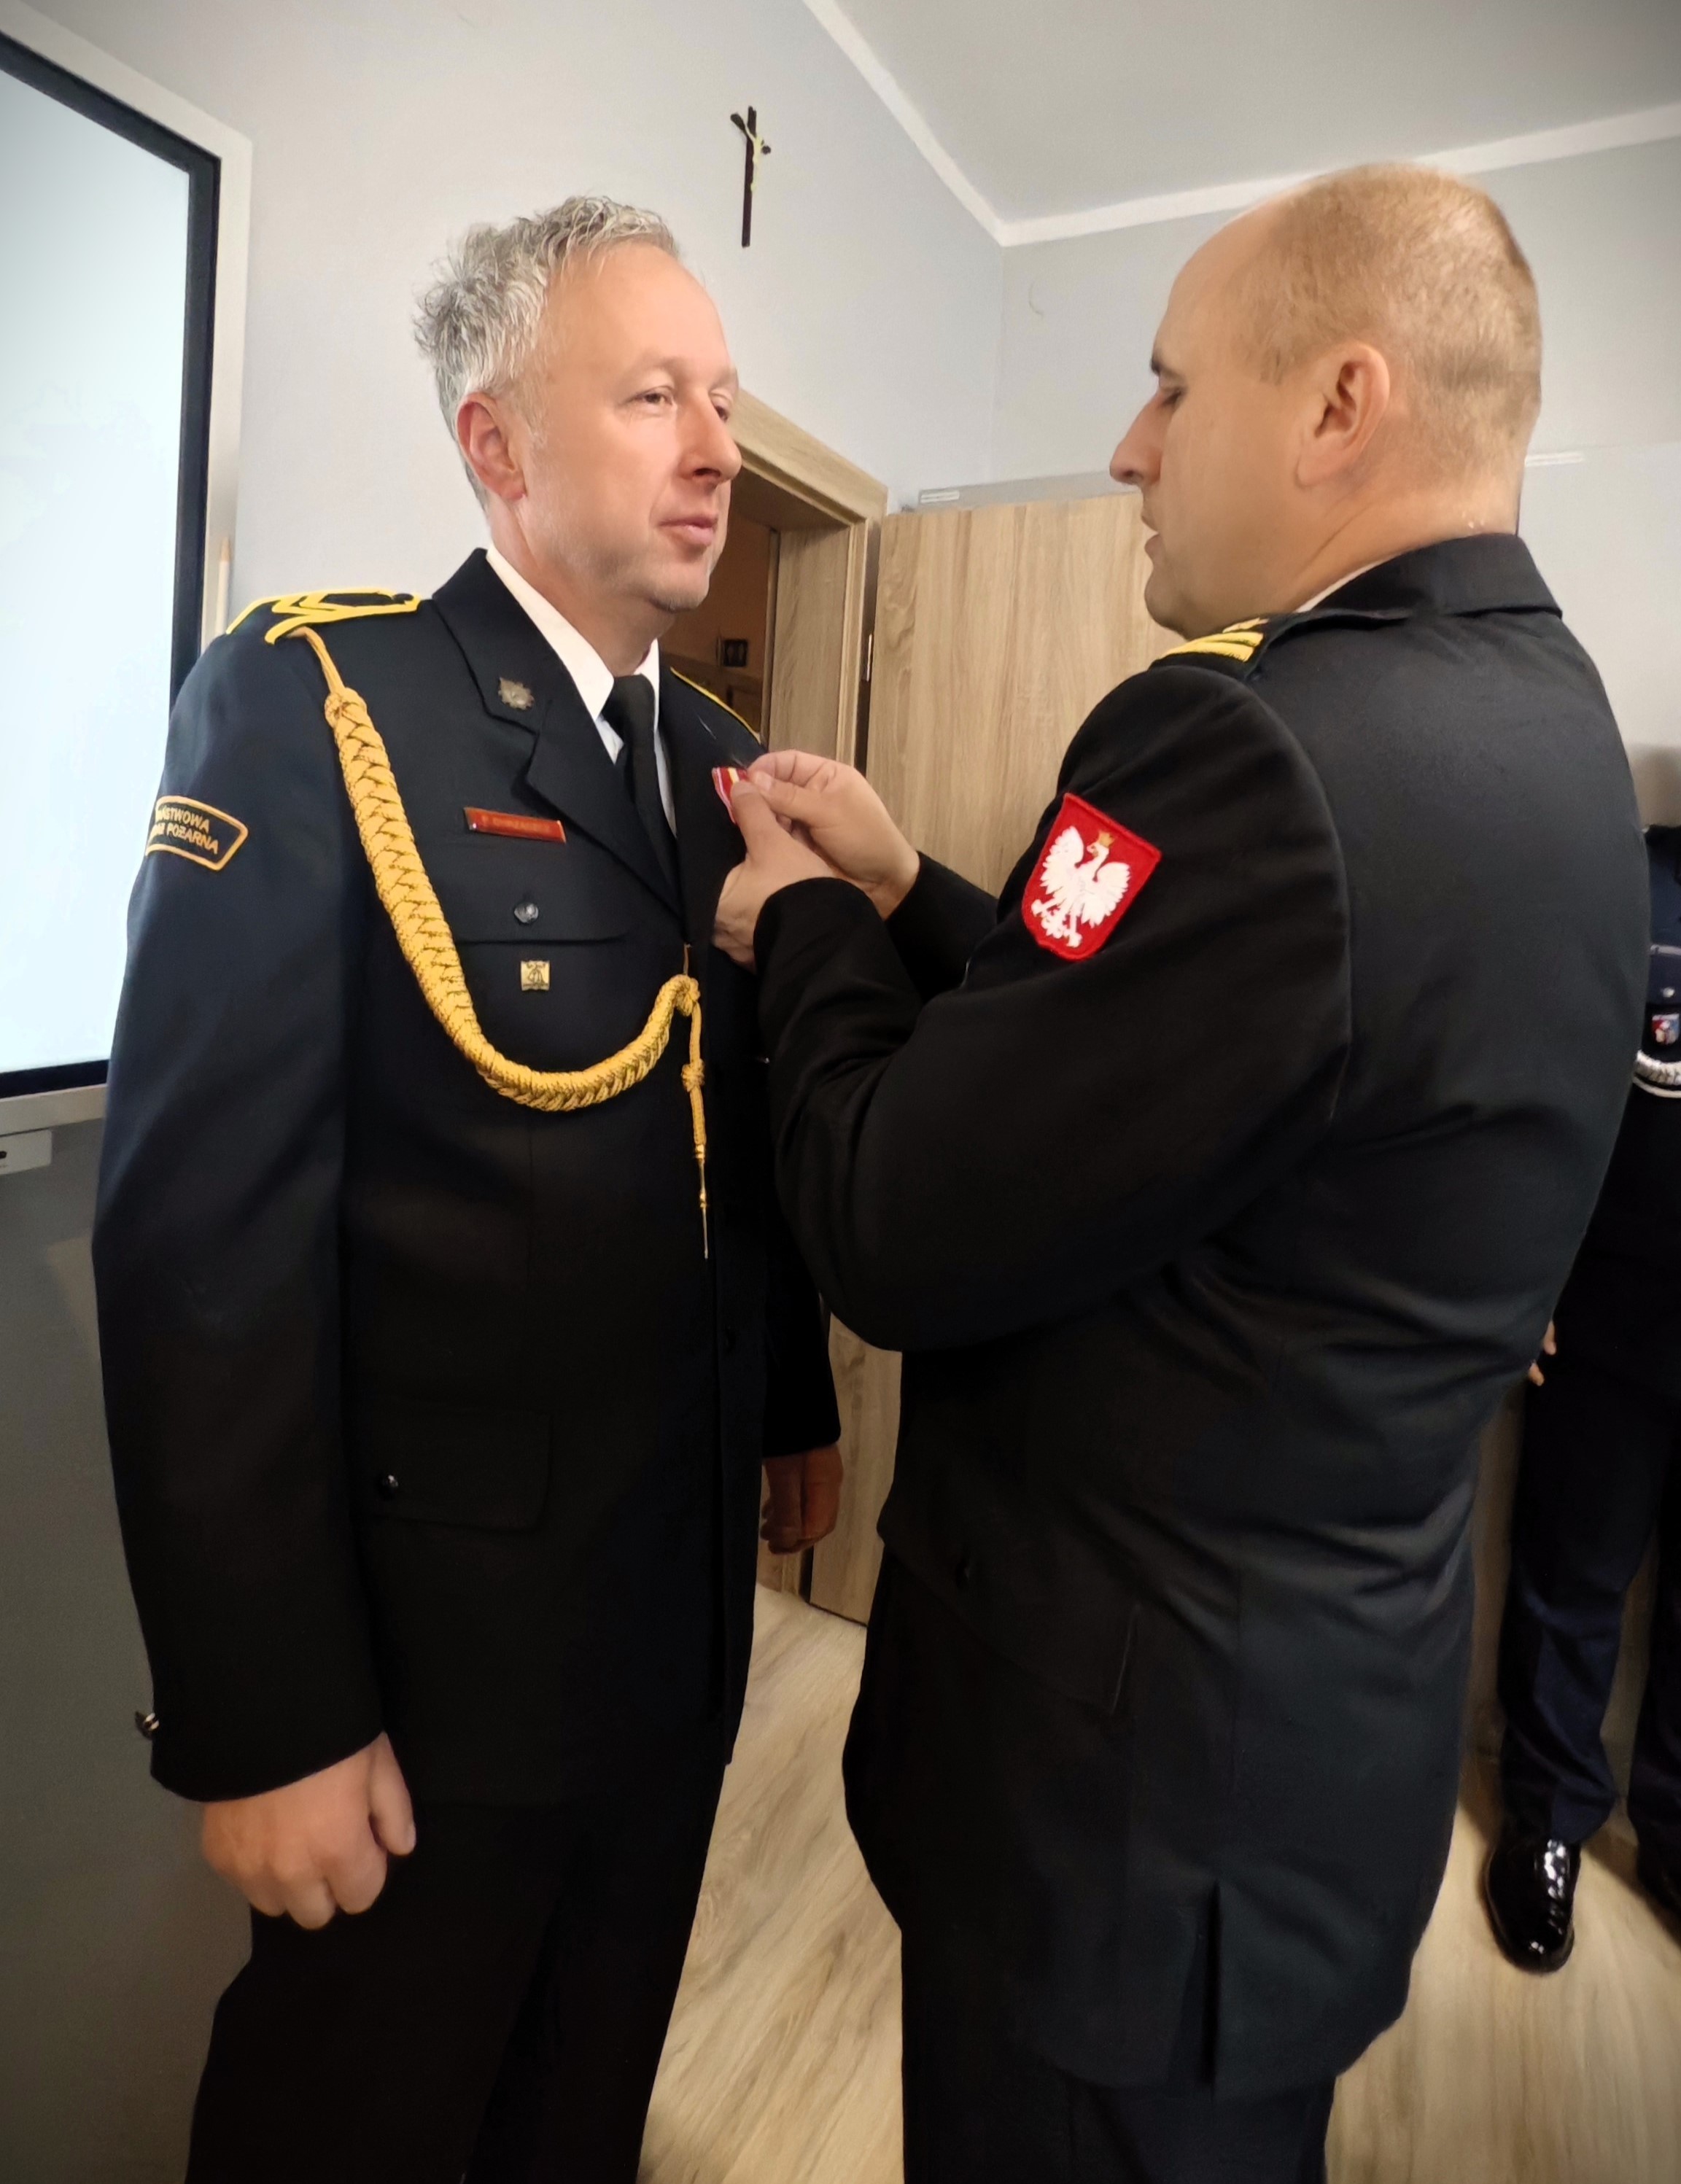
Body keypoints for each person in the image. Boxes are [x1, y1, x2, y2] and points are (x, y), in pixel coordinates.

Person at [712, 165, 1647, 2183]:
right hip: (1295, 1780)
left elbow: (891, 1212)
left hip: (1111, 1833)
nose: (1129, 448)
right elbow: (1188, 1054)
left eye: (1167, 387)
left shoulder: (1243, 746)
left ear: (1338, 404)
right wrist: (909, 882)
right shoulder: (1549, 731)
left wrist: (803, 926)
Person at [93, 196, 841, 2184]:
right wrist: (265, 1716)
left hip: (670, 1643)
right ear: (495, 445)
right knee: (355, 2125)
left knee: (575, 2115)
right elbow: (202, 1252)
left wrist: (790, 1399)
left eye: (725, 399)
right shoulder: (324, 706)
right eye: (654, 396)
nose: (716, 447)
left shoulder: (728, 766)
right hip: (433, 1687)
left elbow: (730, 1136)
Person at [1485, 824, 1681, 1971]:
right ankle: (1548, 1819)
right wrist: (1523, 1274)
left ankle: (1673, 1833)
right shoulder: (1622, 878)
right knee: (1572, 1579)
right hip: (1610, 1312)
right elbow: (1542, 1083)